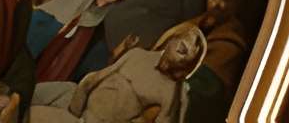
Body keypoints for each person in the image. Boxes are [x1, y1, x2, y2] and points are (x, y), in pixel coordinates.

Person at [27, 26, 200, 123]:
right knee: (30, 94)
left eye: (193, 48)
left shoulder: (172, 94)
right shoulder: (138, 55)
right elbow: (95, 78)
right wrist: (75, 108)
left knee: (30, 116)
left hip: (93, 120)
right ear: (171, 40)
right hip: (78, 103)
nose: (192, 43)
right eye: (184, 41)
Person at [148, 0, 248, 123]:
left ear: (235, 5)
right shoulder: (193, 26)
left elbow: (204, 89)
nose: (217, 4)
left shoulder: (230, 44)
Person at [26, 0, 132, 86]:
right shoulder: (54, 10)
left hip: (59, 72)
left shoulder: (96, 27)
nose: (104, 3)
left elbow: (93, 58)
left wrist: (117, 53)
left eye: (110, 3)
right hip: (35, 64)